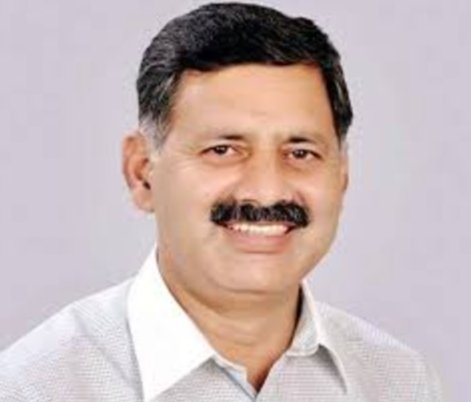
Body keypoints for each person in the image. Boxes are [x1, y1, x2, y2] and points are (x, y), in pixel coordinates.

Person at [0, 2, 444, 401]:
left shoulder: (399, 383)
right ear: (142, 172)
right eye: (223, 150)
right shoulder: (34, 388)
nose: (266, 191)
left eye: (300, 153)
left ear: (342, 175)